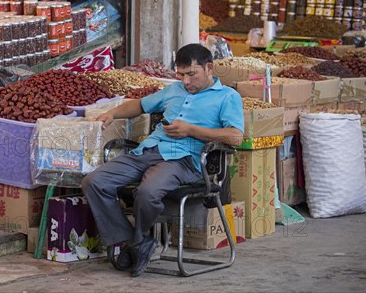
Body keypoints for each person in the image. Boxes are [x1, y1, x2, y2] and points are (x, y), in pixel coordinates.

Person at [82, 43, 244, 277]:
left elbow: (235, 136)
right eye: (181, 75)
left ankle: (136, 242)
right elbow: (139, 105)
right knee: (94, 182)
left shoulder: (228, 97)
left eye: (192, 74)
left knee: (147, 193)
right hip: (147, 151)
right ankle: (136, 242)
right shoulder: (174, 90)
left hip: (185, 160)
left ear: (209, 68)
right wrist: (113, 113)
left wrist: (190, 130)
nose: (186, 81)